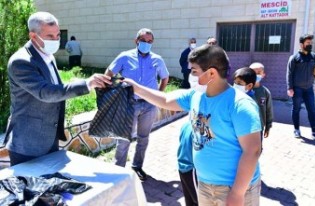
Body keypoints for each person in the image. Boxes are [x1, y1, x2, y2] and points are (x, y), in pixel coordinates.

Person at [123, 44, 262, 205]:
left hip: (235, 188)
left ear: (211, 73)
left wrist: (238, 193)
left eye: (194, 71)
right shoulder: (196, 96)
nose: (191, 75)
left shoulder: (240, 105)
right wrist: (136, 88)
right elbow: (166, 100)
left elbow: (253, 150)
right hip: (204, 184)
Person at [5, 11, 111, 166]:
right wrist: (86, 84)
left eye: (58, 35)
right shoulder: (21, 62)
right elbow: (46, 92)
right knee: (30, 188)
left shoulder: (48, 55)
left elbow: (56, 86)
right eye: (50, 36)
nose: (55, 40)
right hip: (27, 145)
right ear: (33, 36)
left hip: (49, 138)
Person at [105, 28, 169, 181]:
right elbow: (109, 74)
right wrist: (114, 91)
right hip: (129, 104)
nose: (146, 44)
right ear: (136, 41)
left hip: (149, 105)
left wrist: (158, 96)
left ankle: (137, 166)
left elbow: (164, 78)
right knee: (124, 138)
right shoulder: (125, 57)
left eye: (149, 41)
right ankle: (118, 169)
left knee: (143, 138)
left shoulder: (157, 59)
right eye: (143, 41)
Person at [286, 34, 315, 140]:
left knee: (312, 110)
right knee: (296, 109)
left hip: (309, 89)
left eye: (310, 43)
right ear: (301, 44)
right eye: (308, 43)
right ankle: (296, 129)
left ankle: (314, 132)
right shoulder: (294, 58)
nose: (310, 45)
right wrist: (289, 87)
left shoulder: (314, 57)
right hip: (297, 89)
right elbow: (289, 73)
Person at [250, 62, 273, 139]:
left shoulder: (265, 92)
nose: (256, 75)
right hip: (244, 126)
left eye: (259, 72)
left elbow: (269, 110)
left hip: (258, 127)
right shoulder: (243, 90)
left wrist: (268, 126)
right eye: (253, 72)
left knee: (257, 149)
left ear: (263, 75)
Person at [177, 122, 198, 206]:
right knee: (199, 200)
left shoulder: (185, 125)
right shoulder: (199, 129)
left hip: (182, 165)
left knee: (189, 199)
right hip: (191, 168)